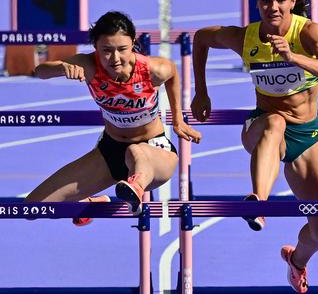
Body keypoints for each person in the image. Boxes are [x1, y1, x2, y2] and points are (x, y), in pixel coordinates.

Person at [191, 0, 318, 293]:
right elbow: (201, 37)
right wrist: (201, 91)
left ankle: (297, 261)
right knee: (275, 121)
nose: (272, 7)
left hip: (306, 134)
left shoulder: (308, 33)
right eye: (265, 1)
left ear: (293, 1)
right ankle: (258, 202)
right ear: (257, 3)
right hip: (262, 126)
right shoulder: (246, 36)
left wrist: (295, 57)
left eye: (280, 0)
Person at [26, 11, 201, 225]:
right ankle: (96, 201)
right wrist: (61, 67)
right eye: (106, 51)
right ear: (95, 48)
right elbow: (40, 71)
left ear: (133, 43)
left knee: (135, 152)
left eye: (122, 49)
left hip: (154, 152)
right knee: (32, 207)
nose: (115, 58)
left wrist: (178, 119)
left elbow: (172, 72)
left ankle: (134, 189)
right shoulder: (88, 65)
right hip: (110, 152)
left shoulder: (152, 69)